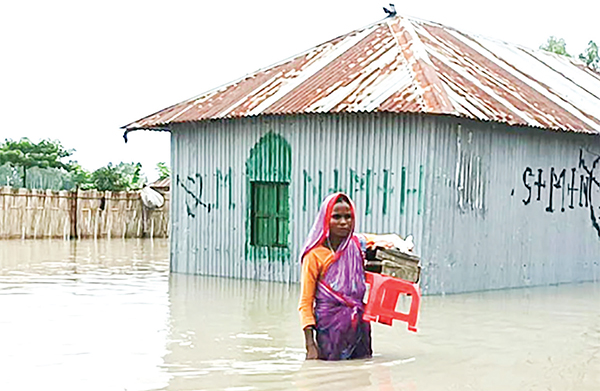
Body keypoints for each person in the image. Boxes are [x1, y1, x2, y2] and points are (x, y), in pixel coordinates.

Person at [298, 192, 372, 360]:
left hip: (360, 327)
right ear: (325, 219)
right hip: (330, 331)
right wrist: (310, 345)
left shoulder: (357, 246)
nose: (344, 222)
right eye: (336, 217)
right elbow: (305, 303)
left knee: (361, 377)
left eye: (348, 216)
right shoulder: (314, 255)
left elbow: (387, 241)